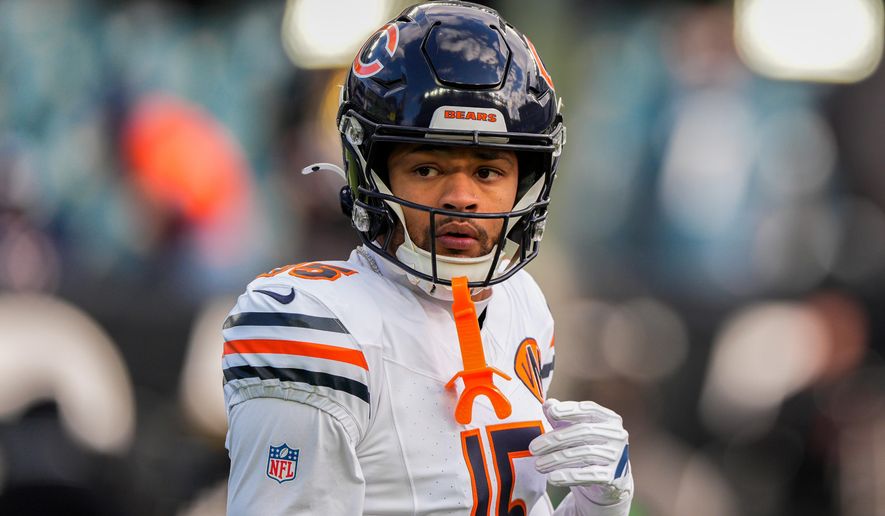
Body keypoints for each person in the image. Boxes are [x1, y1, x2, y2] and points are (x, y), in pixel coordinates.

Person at [223, 2, 634, 514]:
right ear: (372, 173)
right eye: (427, 168)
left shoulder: (522, 305)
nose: (461, 196)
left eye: (487, 171)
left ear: (525, 184)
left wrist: (598, 505)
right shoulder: (317, 327)